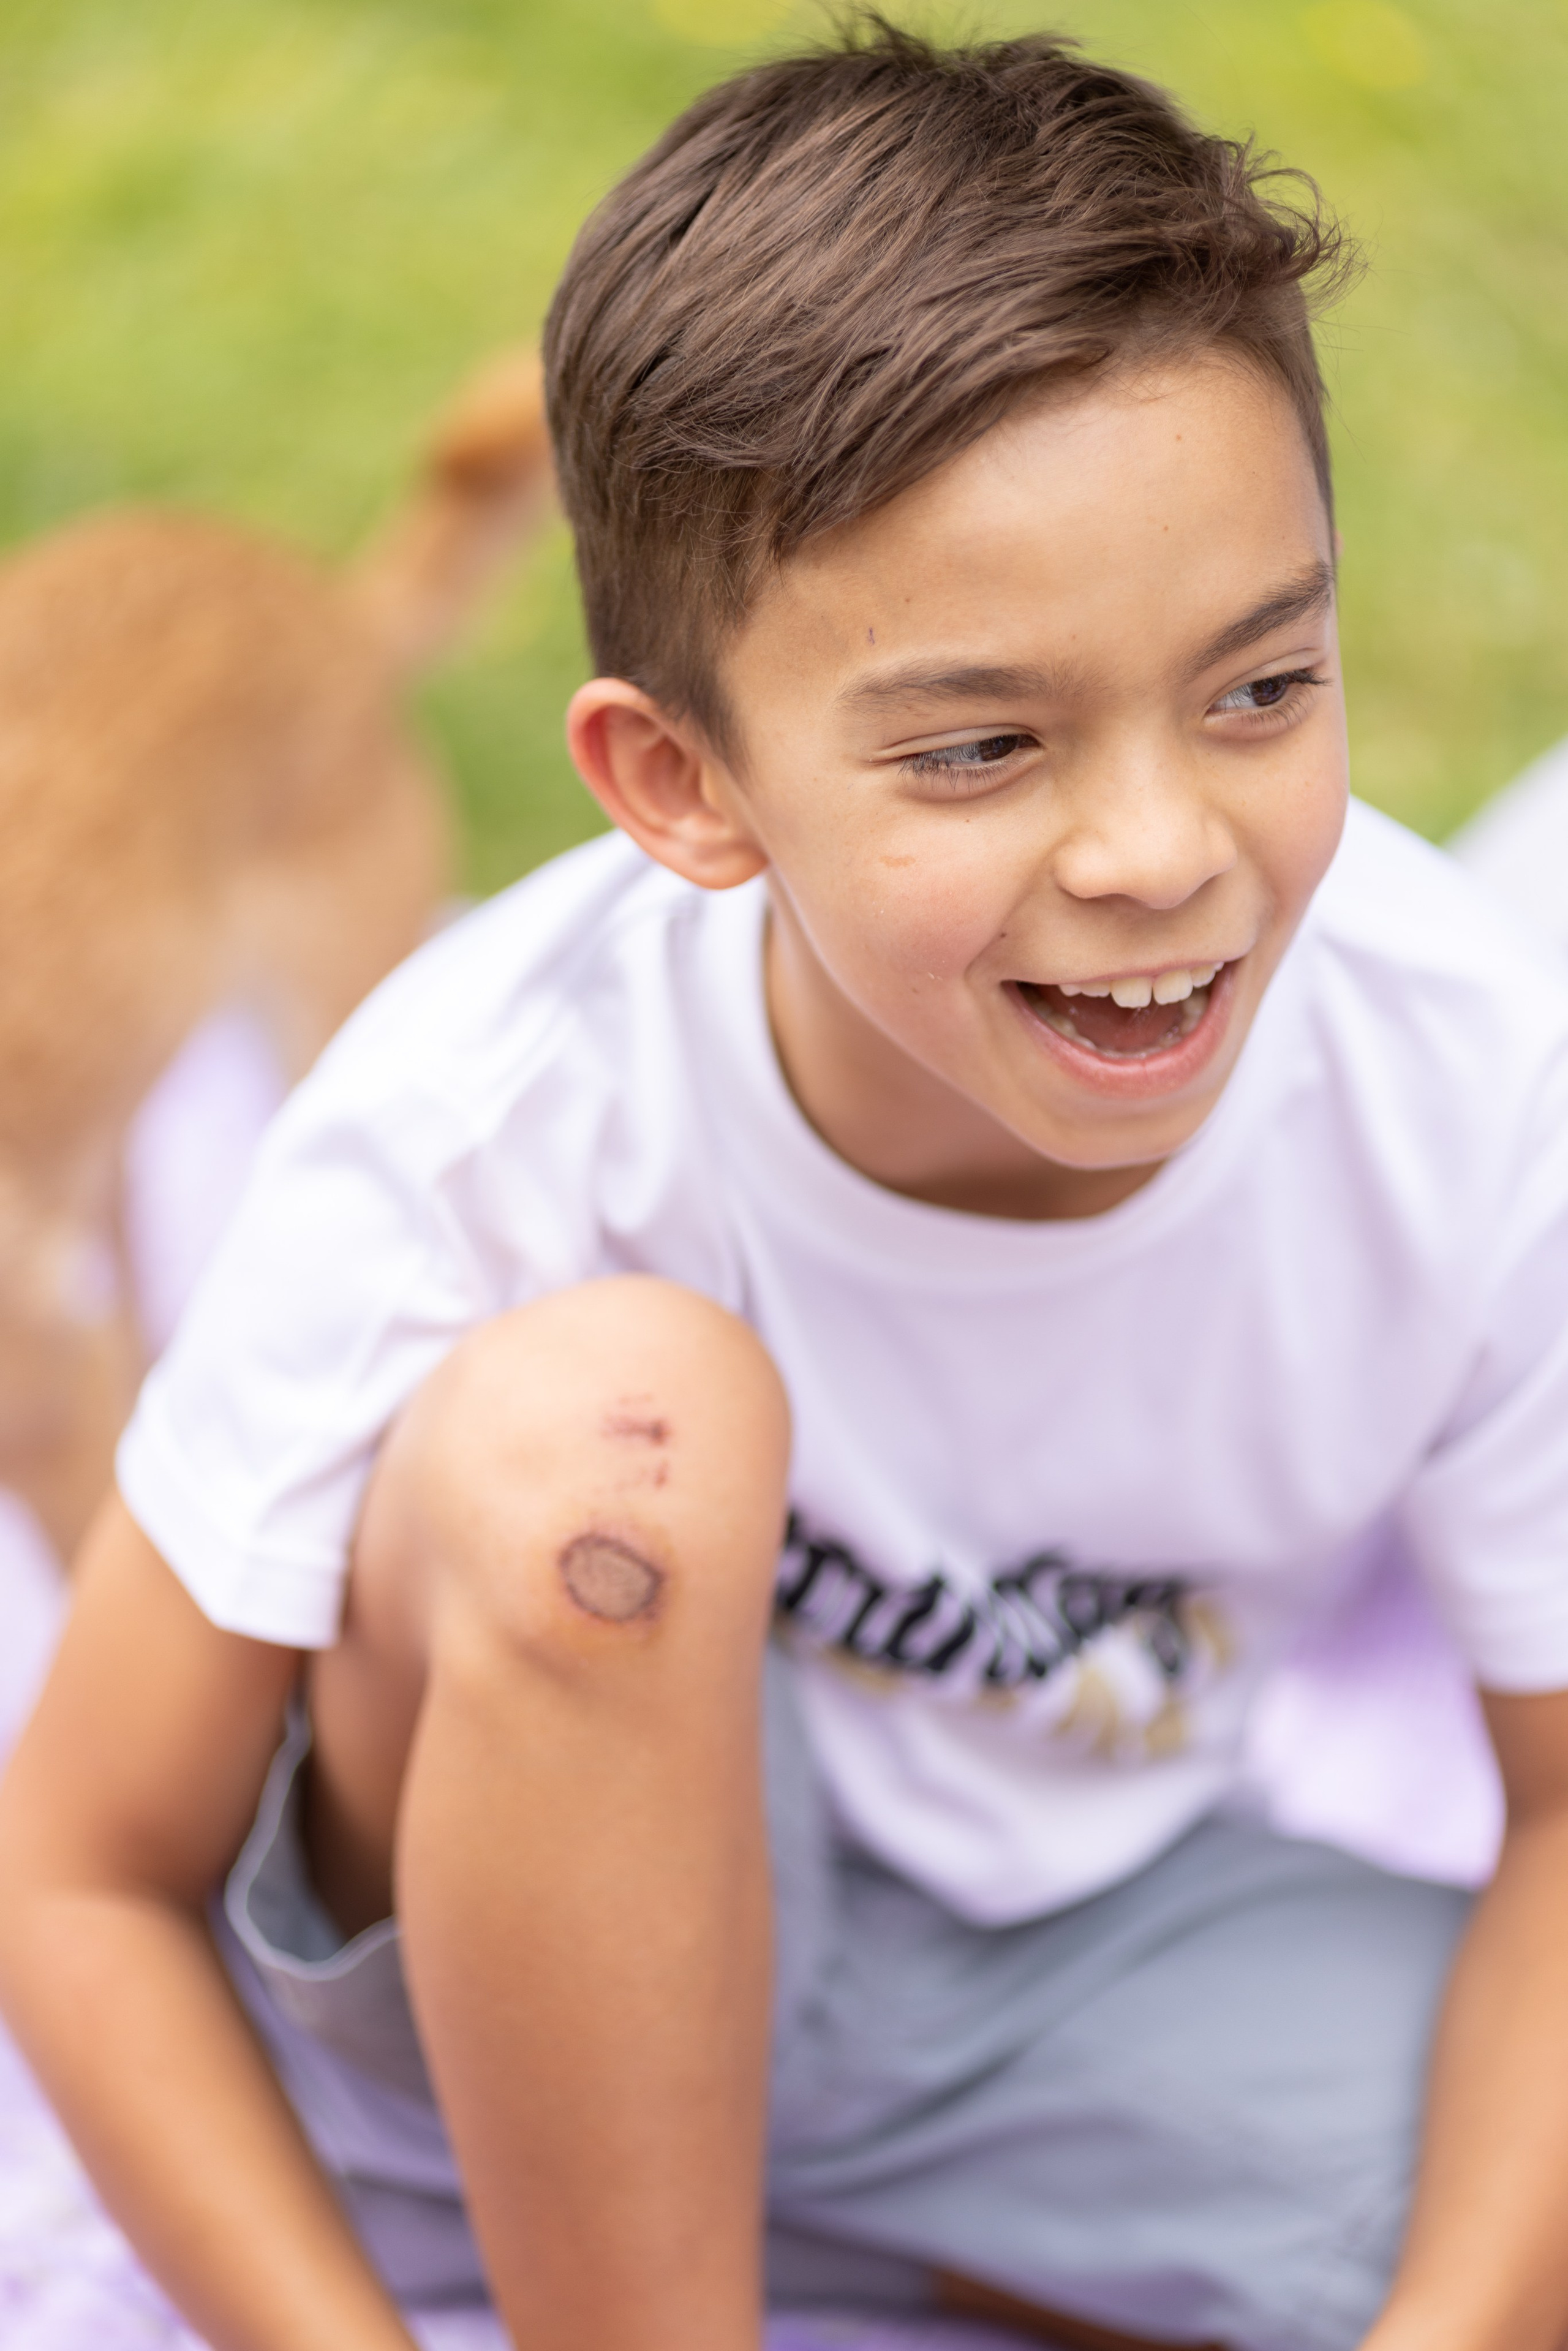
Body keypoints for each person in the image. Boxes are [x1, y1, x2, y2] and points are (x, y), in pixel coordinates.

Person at [4, 20, 1568, 2351]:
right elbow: (83, 1876)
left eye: (1260, 688)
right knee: (605, 1444)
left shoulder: (1475, 1089)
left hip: (1081, 1963)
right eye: (978, 747)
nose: (1161, 854)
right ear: (683, 787)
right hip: (482, 1988)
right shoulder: (492, 1112)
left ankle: (888, 2241)